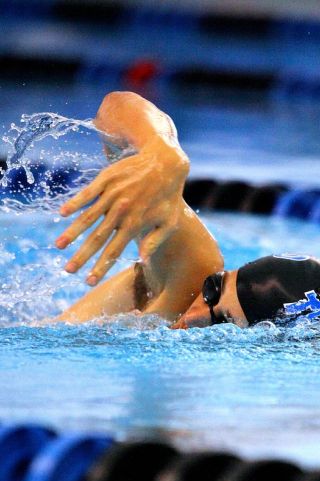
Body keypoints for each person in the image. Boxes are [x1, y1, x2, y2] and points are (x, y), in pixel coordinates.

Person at [54, 92, 320, 328]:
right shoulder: (190, 278)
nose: (193, 313)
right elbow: (114, 107)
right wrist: (161, 148)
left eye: (222, 321)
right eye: (212, 289)